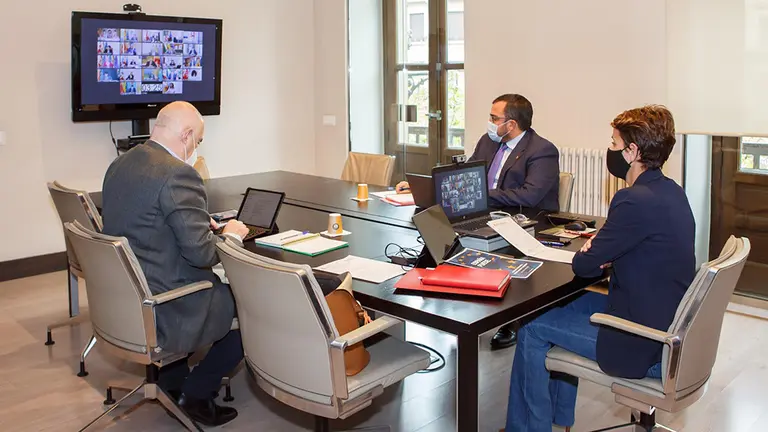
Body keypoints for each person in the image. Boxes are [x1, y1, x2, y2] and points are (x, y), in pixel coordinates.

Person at [501, 105, 695, 432]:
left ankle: (528, 429)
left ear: (632, 152)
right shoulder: (672, 192)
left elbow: (584, 265)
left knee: (531, 326)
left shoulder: (633, 200)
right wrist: (606, 251)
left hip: (640, 343)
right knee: (560, 304)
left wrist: (597, 251)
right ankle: (559, 421)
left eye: (614, 143)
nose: (610, 150)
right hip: (664, 323)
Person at [101, 101, 249, 427]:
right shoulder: (179, 174)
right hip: (167, 303)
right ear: (186, 135)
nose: (196, 149)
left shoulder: (120, 164)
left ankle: (172, 382)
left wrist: (196, 221)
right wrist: (231, 236)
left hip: (128, 296)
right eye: (198, 141)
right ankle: (197, 393)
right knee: (252, 305)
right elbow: (202, 254)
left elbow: (145, 223)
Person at [397, 93, 560, 350]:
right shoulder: (488, 141)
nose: (490, 122)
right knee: (437, 226)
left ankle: (512, 320)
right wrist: (433, 184)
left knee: (472, 238)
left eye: (494, 118)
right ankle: (433, 287)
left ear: (511, 124)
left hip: (525, 222)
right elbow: (466, 174)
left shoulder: (542, 151)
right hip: (486, 213)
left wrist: (483, 195)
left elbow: (529, 196)